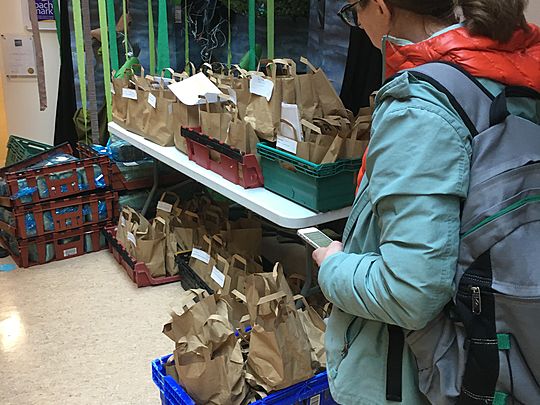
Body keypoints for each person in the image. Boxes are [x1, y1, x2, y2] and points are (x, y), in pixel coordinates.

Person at [313, 1, 540, 404]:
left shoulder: (421, 107)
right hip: (506, 351)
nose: (357, 25)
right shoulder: (511, 70)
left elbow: (408, 291)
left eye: (353, 12)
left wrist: (332, 267)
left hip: (407, 379)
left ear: (380, 7)